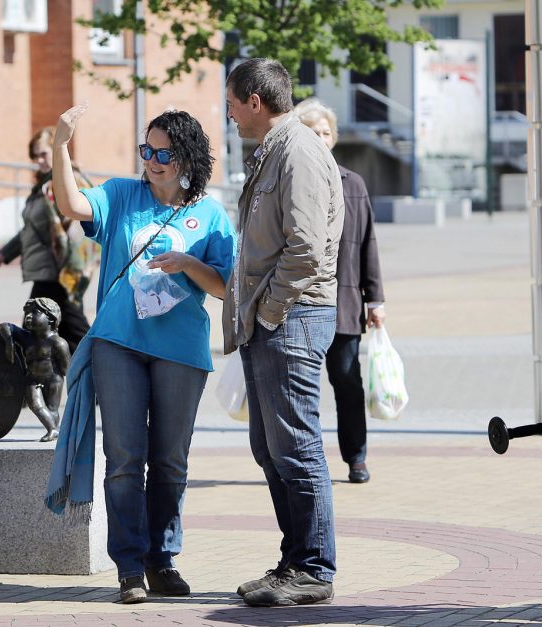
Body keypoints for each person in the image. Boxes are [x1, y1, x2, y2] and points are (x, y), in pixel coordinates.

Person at [51, 104, 236, 604]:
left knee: (171, 460)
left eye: (163, 153)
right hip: (119, 343)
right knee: (125, 458)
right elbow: (71, 205)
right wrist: (61, 145)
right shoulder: (120, 194)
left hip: (180, 349)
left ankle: (162, 559)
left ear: (187, 157)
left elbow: (223, 288)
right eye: (146, 150)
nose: (151, 161)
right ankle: (130, 567)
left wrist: (187, 263)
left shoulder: (211, 213)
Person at [222, 58, 344, 607]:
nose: (227, 113)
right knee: (271, 450)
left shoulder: (298, 151)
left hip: (291, 318)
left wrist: (268, 312)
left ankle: (314, 568)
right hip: (271, 320)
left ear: (253, 100)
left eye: (230, 102)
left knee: (295, 448)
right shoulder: (276, 149)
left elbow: (306, 248)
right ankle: (295, 561)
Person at [295, 98, 386, 484]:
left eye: (325, 131)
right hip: (298, 305)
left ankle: (356, 457)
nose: (320, 137)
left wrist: (376, 299)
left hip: (345, 304)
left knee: (348, 383)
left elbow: (368, 244)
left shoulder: (354, 183)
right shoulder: (291, 179)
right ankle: (304, 462)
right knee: (303, 392)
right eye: (312, 131)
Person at [0, 127, 95, 354]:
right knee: (53, 333)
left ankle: (105, 369)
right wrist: (5, 253)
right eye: (35, 155)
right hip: (49, 271)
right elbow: (31, 228)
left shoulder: (66, 182)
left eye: (44, 154)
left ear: (58, 151)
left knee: (43, 329)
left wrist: (70, 271)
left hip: (62, 273)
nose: (39, 160)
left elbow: (80, 228)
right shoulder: (44, 185)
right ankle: (82, 375)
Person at [0, 297, 71, 442]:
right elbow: (4, 326)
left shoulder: (58, 343)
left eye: (34, 313)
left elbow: (67, 368)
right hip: (32, 378)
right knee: (36, 404)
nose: (28, 316)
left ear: (51, 318)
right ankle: (53, 429)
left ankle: (53, 430)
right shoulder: (26, 338)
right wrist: (9, 342)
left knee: (52, 410)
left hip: (53, 380)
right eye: (27, 313)